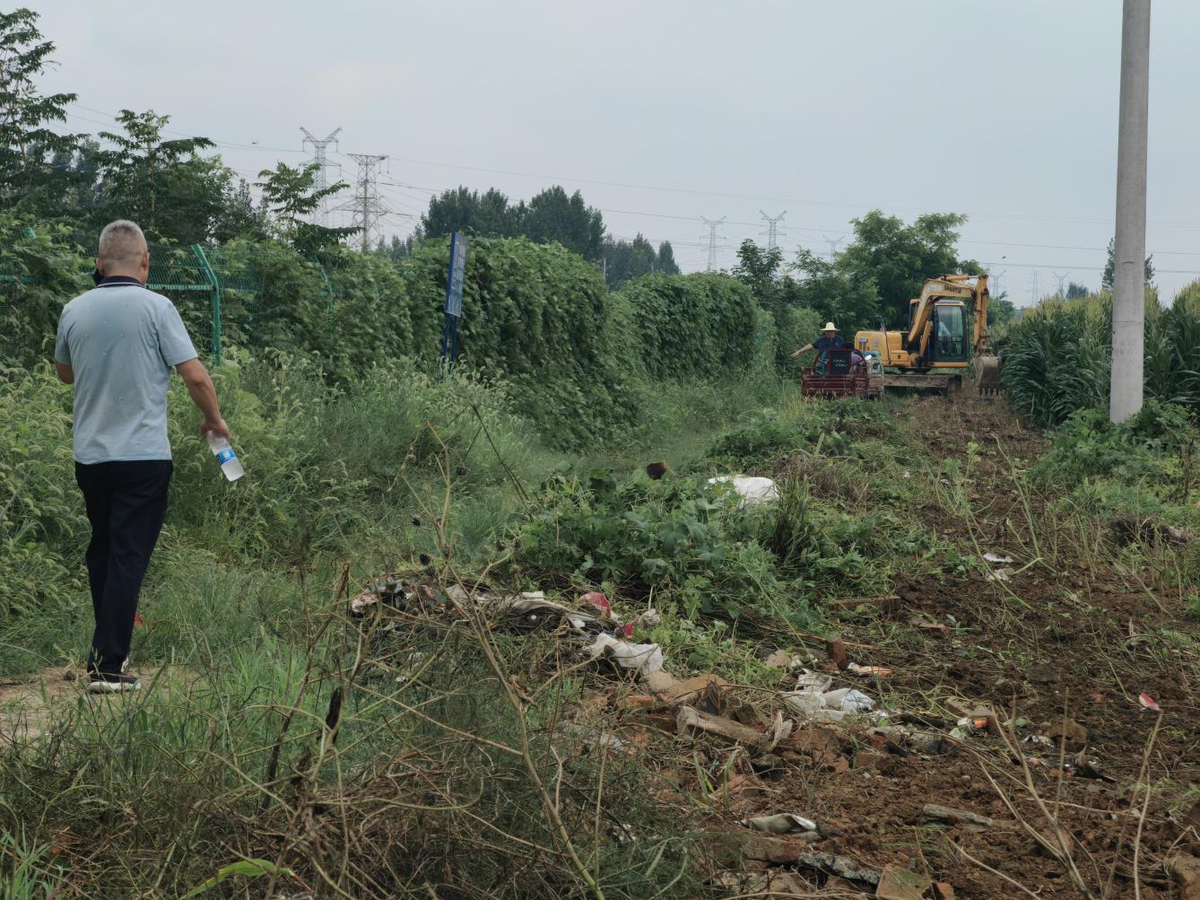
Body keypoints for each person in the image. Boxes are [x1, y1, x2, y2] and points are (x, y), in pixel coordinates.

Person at [54, 220, 231, 693]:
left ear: (98, 263)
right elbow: (194, 376)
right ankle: (108, 665)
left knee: (104, 552)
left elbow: (65, 374)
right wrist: (214, 420)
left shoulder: (74, 308)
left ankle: (106, 651)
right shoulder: (158, 308)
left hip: (91, 456)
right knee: (128, 555)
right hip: (143, 457)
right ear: (145, 262)